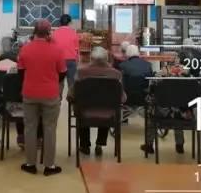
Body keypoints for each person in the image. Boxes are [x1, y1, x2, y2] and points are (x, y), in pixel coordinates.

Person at [17, 19, 66, 176]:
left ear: (34, 31)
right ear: (49, 33)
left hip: (29, 93)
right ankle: (49, 166)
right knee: (49, 128)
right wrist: (52, 81)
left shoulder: (25, 49)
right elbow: (63, 73)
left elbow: (21, 72)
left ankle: (30, 164)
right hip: (50, 94)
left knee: (30, 128)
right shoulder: (57, 50)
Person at [69, 47, 126, 156]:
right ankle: (100, 143)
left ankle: (84, 145)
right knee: (106, 107)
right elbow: (122, 98)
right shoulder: (116, 74)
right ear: (107, 59)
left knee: (82, 107)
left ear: (91, 58)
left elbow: (72, 94)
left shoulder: (81, 72)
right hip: (108, 114)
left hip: (84, 112)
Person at [52, 14, 80, 91]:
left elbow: (52, 49)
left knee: (59, 83)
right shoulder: (73, 33)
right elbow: (76, 49)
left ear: (60, 22)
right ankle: (71, 98)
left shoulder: (54, 33)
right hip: (71, 61)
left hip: (58, 61)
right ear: (69, 23)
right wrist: (77, 61)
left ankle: (58, 98)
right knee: (71, 83)